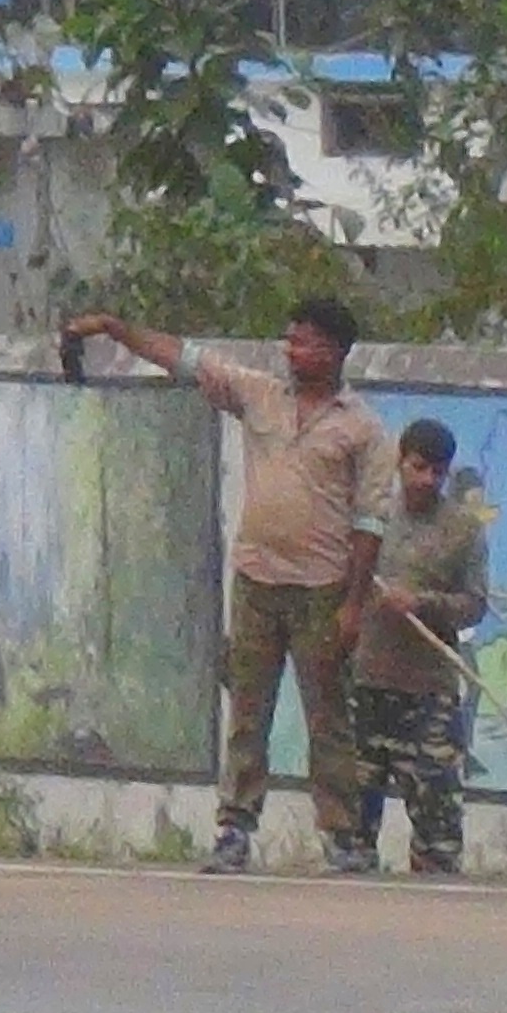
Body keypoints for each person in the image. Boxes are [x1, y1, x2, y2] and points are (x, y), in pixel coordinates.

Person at [64, 294, 391, 874]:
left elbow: (369, 522)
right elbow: (185, 358)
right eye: (288, 339)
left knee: (329, 717)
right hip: (257, 580)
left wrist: (354, 605)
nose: (292, 351)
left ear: (337, 351)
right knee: (247, 710)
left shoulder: (362, 428)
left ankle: (343, 837)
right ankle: (234, 830)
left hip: (322, 587)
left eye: (306, 341)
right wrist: (115, 329)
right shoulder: (260, 394)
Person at [351, 418, 496, 876]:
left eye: (437, 472)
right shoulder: (371, 519)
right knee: (351, 829)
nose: (426, 480)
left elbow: (474, 605)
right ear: (400, 461)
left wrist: (422, 603)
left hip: (429, 693)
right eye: (418, 468)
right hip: (365, 684)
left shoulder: (463, 530)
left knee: (438, 831)